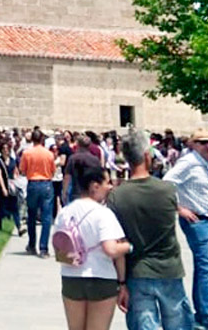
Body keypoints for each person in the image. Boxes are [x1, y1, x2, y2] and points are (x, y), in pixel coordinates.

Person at [109, 131, 194, 330]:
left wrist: (120, 284)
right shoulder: (167, 190)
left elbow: (118, 243)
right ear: (147, 155)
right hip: (169, 268)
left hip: (136, 271)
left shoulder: (116, 196)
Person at [163, 128, 208, 330]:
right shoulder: (188, 161)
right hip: (197, 221)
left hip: (207, 219)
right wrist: (180, 208)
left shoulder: (203, 163)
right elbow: (166, 183)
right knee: (206, 269)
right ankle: (207, 316)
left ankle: (202, 313)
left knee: (202, 269)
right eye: (202, 142)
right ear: (193, 143)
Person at [54, 162, 131, 330]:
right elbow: (111, 249)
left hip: (71, 277)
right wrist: (127, 247)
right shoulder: (103, 214)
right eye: (106, 183)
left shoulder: (65, 212)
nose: (109, 187)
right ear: (95, 186)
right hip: (101, 278)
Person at [21, 129, 56, 258]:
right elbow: (53, 170)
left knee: (31, 215)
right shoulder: (49, 154)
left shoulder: (27, 153)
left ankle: (31, 245)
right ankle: (43, 248)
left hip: (33, 183)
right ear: (42, 139)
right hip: (46, 183)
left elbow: (23, 170)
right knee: (46, 217)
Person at [0, 139, 22, 233]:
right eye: (4, 148)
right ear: (1, 150)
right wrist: (3, 188)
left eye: (7, 148)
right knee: (1, 207)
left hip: (12, 186)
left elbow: (15, 171)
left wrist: (16, 179)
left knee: (15, 207)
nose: (6, 150)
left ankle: (19, 227)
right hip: (2, 186)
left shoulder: (12, 160)